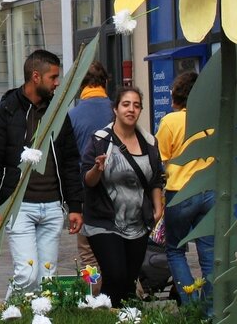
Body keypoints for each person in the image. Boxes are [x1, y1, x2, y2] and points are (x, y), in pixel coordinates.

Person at [0, 49, 84, 296]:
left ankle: (38, 317)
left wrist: (75, 205)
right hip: (19, 207)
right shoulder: (5, 112)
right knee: (27, 274)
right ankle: (11, 313)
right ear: (36, 77)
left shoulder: (58, 114)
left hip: (52, 207)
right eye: (53, 77)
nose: (58, 83)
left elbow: (70, 161)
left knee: (46, 279)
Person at [82, 87, 163, 307]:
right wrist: (97, 169)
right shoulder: (100, 140)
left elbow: (156, 178)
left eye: (136, 105)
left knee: (128, 281)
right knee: (115, 274)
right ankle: (104, 312)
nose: (131, 109)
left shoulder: (149, 142)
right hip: (104, 220)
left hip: (137, 222)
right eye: (126, 104)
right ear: (115, 109)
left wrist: (158, 208)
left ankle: (118, 315)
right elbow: (87, 180)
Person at [155, 71, 214, 307]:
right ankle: (210, 310)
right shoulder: (210, 120)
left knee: (175, 251)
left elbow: (160, 157)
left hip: (180, 192)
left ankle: (190, 306)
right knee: (209, 256)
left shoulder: (170, 121)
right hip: (209, 191)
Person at [68, 60, 113, 290]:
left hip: (86, 194)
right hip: (118, 192)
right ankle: (130, 299)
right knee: (121, 250)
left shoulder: (73, 116)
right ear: (105, 83)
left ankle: (94, 295)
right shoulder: (119, 110)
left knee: (88, 254)